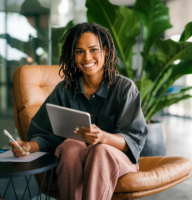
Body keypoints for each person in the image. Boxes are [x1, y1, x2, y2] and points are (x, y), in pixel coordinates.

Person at [9, 22, 148, 200]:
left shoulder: (124, 88)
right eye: (79, 51)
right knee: (70, 146)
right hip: (76, 161)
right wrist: (28, 146)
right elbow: (44, 135)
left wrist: (103, 138)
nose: (87, 57)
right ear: (72, 56)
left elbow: (133, 139)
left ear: (105, 51)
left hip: (118, 161)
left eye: (93, 50)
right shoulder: (63, 90)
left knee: (100, 150)